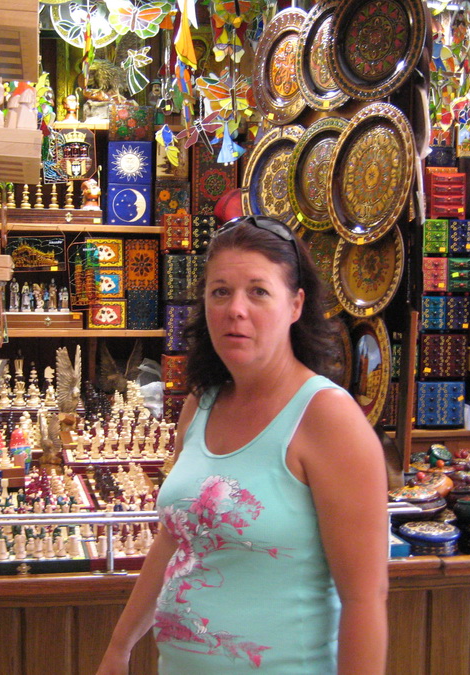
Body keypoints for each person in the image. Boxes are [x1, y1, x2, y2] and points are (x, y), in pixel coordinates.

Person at [96, 215, 388, 674]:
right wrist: (119, 647)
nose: (235, 309)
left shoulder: (327, 418)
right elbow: (175, 538)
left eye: (258, 291)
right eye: (220, 292)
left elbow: (365, 600)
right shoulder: (202, 405)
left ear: (295, 305)